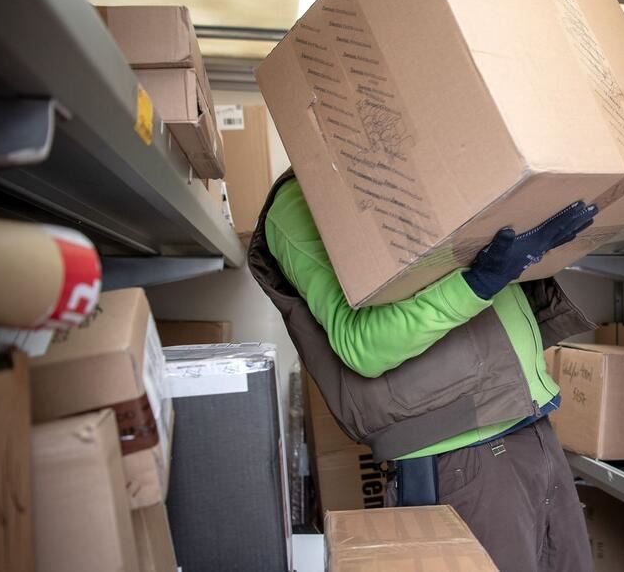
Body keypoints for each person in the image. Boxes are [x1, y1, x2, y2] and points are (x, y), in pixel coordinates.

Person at [248, 169, 598, 572]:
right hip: (459, 453)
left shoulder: (421, 162)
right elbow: (362, 345)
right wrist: (481, 281)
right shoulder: (300, 203)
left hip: (530, 424)